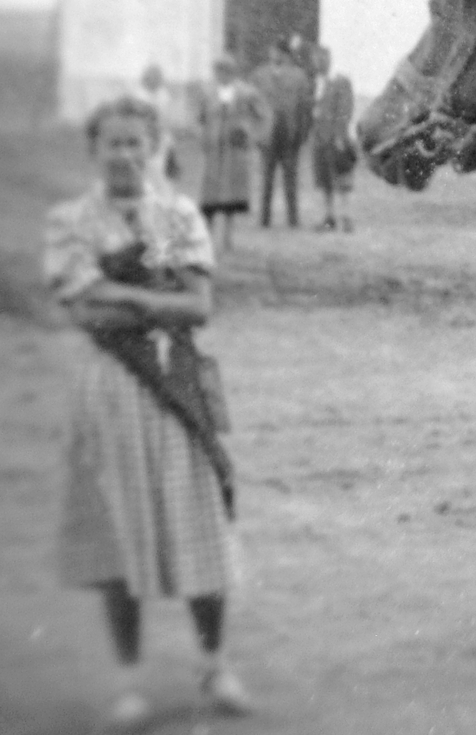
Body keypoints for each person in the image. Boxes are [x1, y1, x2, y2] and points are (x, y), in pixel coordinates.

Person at [43, 96, 250, 728]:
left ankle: (213, 667)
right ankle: (129, 681)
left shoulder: (178, 214)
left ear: (156, 147)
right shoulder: (70, 220)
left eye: (138, 142)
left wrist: (119, 291)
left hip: (173, 386)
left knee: (199, 531)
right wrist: (155, 296)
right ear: (94, 150)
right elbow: (82, 313)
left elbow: (198, 308)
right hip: (108, 390)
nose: (127, 155)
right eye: (114, 143)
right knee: (117, 535)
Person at [197, 55, 268, 253]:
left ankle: (227, 236)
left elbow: (262, 115)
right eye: (218, 71)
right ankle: (207, 236)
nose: (221, 75)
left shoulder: (245, 92)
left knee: (230, 197)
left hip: (234, 151)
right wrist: (203, 137)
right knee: (209, 197)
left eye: (225, 71)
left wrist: (250, 135)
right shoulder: (208, 92)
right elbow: (201, 118)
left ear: (232, 72)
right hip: (213, 150)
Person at [251, 41, 313, 228]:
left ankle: (293, 220)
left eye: (278, 52)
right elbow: (252, 105)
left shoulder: (299, 76)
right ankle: (264, 219)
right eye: (272, 52)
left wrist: (301, 134)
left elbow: (304, 108)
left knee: (291, 179)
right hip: (268, 134)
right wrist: (257, 131)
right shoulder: (259, 75)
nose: (274, 56)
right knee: (266, 179)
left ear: (286, 55)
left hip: (290, 134)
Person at [308, 45, 357, 232]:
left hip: (336, 139)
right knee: (324, 181)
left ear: (329, 59)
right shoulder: (315, 83)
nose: (319, 63)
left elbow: (345, 110)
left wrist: (340, 136)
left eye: (322, 59)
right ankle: (328, 217)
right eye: (316, 60)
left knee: (343, 181)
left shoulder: (341, 81)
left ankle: (347, 218)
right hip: (320, 138)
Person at [135, 63, 182, 183]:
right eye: (152, 78)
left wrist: (170, 142)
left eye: (157, 78)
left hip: (162, 137)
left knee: (162, 169)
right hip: (145, 136)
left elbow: (167, 119)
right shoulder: (139, 96)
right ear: (146, 79)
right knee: (148, 169)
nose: (155, 81)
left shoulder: (164, 95)